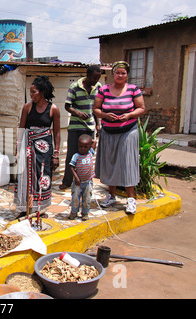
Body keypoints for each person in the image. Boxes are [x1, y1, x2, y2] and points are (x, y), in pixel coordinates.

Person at [93, 61, 145, 214]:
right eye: (118, 73)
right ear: (113, 74)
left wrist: (129, 115)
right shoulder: (103, 90)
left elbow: (141, 108)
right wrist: (104, 115)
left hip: (128, 131)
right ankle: (111, 195)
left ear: (127, 74)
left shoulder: (133, 90)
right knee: (110, 163)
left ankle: (130, 199)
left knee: (127, 163)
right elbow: (96, 108)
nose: (120, 75)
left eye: (123, 73)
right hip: (109, 131)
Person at [14, 76, 61, 215]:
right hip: (27, 148)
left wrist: (56, 154)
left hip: (44, 151)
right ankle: (26, 208)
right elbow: (21, 129)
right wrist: (17, 150)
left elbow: (57, 132)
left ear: (42, 92)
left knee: (42, 177)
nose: (31, 95)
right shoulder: (27, 107)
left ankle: (38, 208)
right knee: (26, 178)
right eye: (30, 92)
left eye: (33, 92)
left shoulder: (54, 109)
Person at [59, 65, 102, 190]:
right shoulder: (75, 87)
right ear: (87, 75)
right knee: (72, 154)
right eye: (94, 78)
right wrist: (77, 113)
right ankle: (67, 181)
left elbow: (96, 108)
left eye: (98, 78)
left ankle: (85, 180)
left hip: (89, 127)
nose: (95, 81)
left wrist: (98, 124)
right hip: (75, 126)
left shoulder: (98, 87)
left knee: (88, 155)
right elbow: (67, 106)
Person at [68, 134, 97, 221]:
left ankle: (85, 213)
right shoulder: (76, 156)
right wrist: (76, 178)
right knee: (75, 198)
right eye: (80, 146)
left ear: (89, 147)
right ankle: (74, 212)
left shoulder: (90, 153)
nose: (83, 149)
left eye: (85, 147)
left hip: (88, 182)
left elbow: (94, 142)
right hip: (78, 183)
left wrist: (90, 140)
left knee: (87, 198)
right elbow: (72, 167)